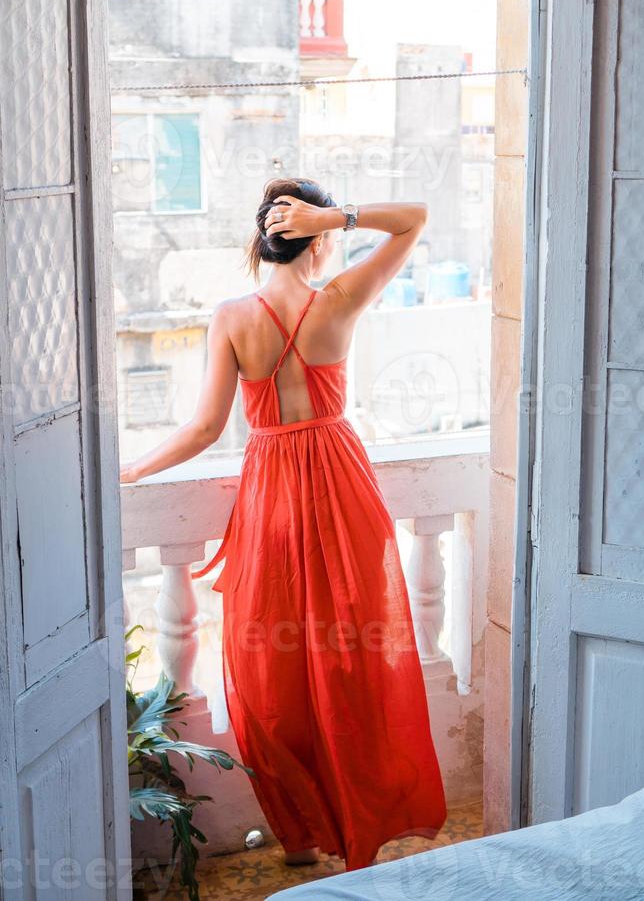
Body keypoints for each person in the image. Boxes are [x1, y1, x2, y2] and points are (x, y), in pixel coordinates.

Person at [120, 178, 447, 871]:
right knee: (353, 663)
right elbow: (415, 218)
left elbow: (206, 427)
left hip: (273, 496)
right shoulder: (340, 298)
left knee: (273, 671)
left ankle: (300, 835)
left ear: (257, 240)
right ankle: (359, 835)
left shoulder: (233, 315)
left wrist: (132, 471)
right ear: (320, 240)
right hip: (341, 485)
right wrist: (340, 215)